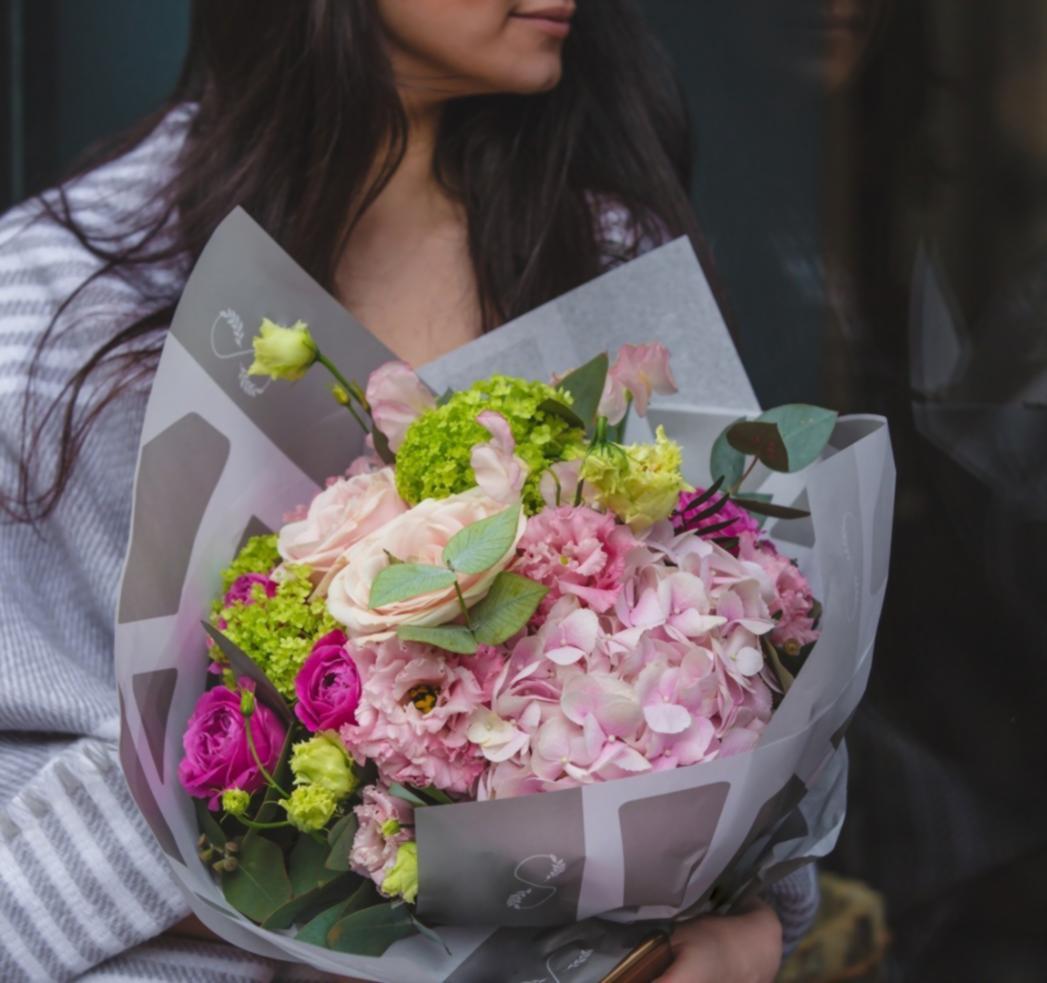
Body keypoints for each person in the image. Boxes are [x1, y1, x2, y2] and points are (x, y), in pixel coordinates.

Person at [0, 2, 813, 980]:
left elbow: (755, 692)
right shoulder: (62, 307)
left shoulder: (605, 257)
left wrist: (750, 923)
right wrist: (322, 842)